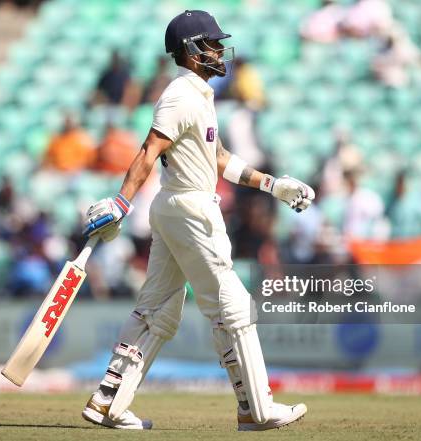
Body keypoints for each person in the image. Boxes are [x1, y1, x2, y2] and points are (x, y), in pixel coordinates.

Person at [80, 10, 314, 431]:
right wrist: (121, 202)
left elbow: (219, 157)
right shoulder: (180, 95)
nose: (221, 51)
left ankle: (107, 401)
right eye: (213, 44)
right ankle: (256, 409)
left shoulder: (201, 96)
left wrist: (272, 185)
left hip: (177, 210)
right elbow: (150, 149)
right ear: (191, 51)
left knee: (158, 312)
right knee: (233, 305)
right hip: (190, 210)